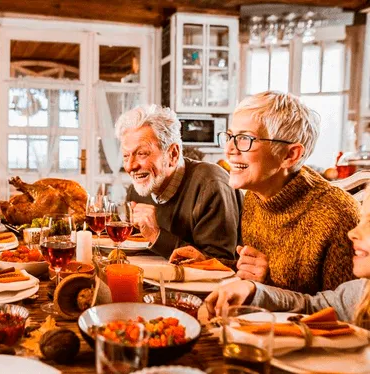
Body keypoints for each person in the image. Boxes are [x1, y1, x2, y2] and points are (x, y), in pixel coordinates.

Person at [170, 91, 359, 294]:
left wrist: (267, 284)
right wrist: (209, 263)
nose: (229, 149)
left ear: (290, 155)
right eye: (230, 136)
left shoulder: (338, 215)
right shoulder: (255, 196)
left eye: (245, 138)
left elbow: (345, 313)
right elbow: (252, 270)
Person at [205, 184, 370, 325]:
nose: (352, 233)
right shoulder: (362, 291)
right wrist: (252, 290)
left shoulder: (334, 209)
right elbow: (312, 308)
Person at [116, 104, 242, 260]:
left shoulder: (211, 184)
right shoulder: (136, 191)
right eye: (126, 156)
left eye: (141, 153)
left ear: (173, 154)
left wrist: (157, 235)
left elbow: (220, 264)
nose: (130, 166)